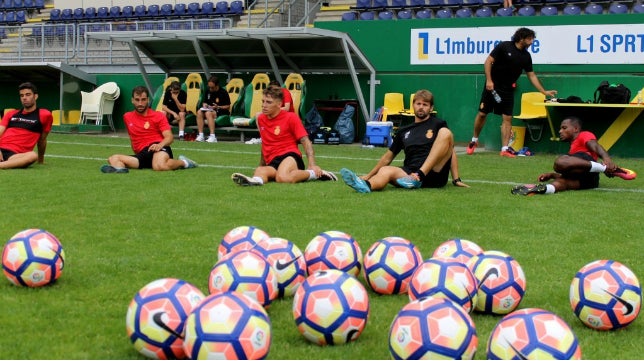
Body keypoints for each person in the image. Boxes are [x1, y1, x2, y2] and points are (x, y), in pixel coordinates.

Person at [340, 89, 469, 193]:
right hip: (408, 175)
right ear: (413, 105)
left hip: (434, 173)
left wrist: (456, 179)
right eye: (418, 104)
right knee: (386, 170)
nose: (421, 107)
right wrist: (368, 176)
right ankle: (366, 186)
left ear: (431, 108)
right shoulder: (403, 131)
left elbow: (450, 152)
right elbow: (387, 158)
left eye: (425, 105)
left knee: (446, 133)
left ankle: (418, 176)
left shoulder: (438, 124)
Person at [466, 27, 557, 158]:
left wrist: (543, 91)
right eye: (530, 39)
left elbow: (531, 75)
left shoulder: (526, 56)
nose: (532, 42)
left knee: (507, 118)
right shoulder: (504, 46)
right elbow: (488, 62)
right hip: (492, 87)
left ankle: (504, 149)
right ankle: (474, 141)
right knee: (482, 114)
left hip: (508, 90)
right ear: (521, 38)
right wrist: (489, 81)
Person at [231, 86, 336, 186]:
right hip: (272, 160)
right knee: (260, 171)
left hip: (290, 156)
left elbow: (305, 141)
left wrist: (312, 164)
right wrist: (261, 165)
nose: (264, 105)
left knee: (282, 178)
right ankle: (254, 182)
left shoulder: (291, 117)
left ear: (279, 104)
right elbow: (265, 143)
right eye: (263, 101)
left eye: (268, 102)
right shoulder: (261, 118)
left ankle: (314, 174)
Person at [511, 116, 636, 196]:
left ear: (576, 128)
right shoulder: (572, 151)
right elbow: (577, 168)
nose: (560, 131)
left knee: (560, 162)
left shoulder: (583, 135)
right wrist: (552, 175)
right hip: (590, 181)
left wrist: (607, 159)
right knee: (562, 182)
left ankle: (605, 168)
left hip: (589, 166)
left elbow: (595, 146)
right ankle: (545, 189)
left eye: (564, 128)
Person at [100, 86, 197, 173]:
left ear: (148, 100)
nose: (140, 103)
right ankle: (120, 170)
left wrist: (159, 145)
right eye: (137, 100)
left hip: (158, 148)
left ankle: (184, 162)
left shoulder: (158, 115)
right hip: (142, 154)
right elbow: (134, 138)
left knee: (159, 166)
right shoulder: (127, 117)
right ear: (132, 100)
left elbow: (169, 137)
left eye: (143, 100)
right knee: (113, 158)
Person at [0, 82, 53, 170]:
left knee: (32, 156)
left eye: (28, 95)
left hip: (16, 156)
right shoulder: (11, 114)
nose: (24, 98)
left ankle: (2, 165)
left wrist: (41, 160)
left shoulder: (44, 115)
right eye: (22, 95)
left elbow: (42, 140)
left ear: (35, 96)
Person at [196, 76, 231, 143]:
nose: (210, 89)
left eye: (212, 87)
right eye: (209, 87)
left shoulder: (223, 92)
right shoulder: (207, 90)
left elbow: (228, 106)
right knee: (199, 112)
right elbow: (204, 101)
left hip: (221, 111)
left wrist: (218, 107)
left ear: (217, 85)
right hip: (209, 110)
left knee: (208, 113)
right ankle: (201, 135)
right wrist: (204, 105)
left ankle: (212, 136)